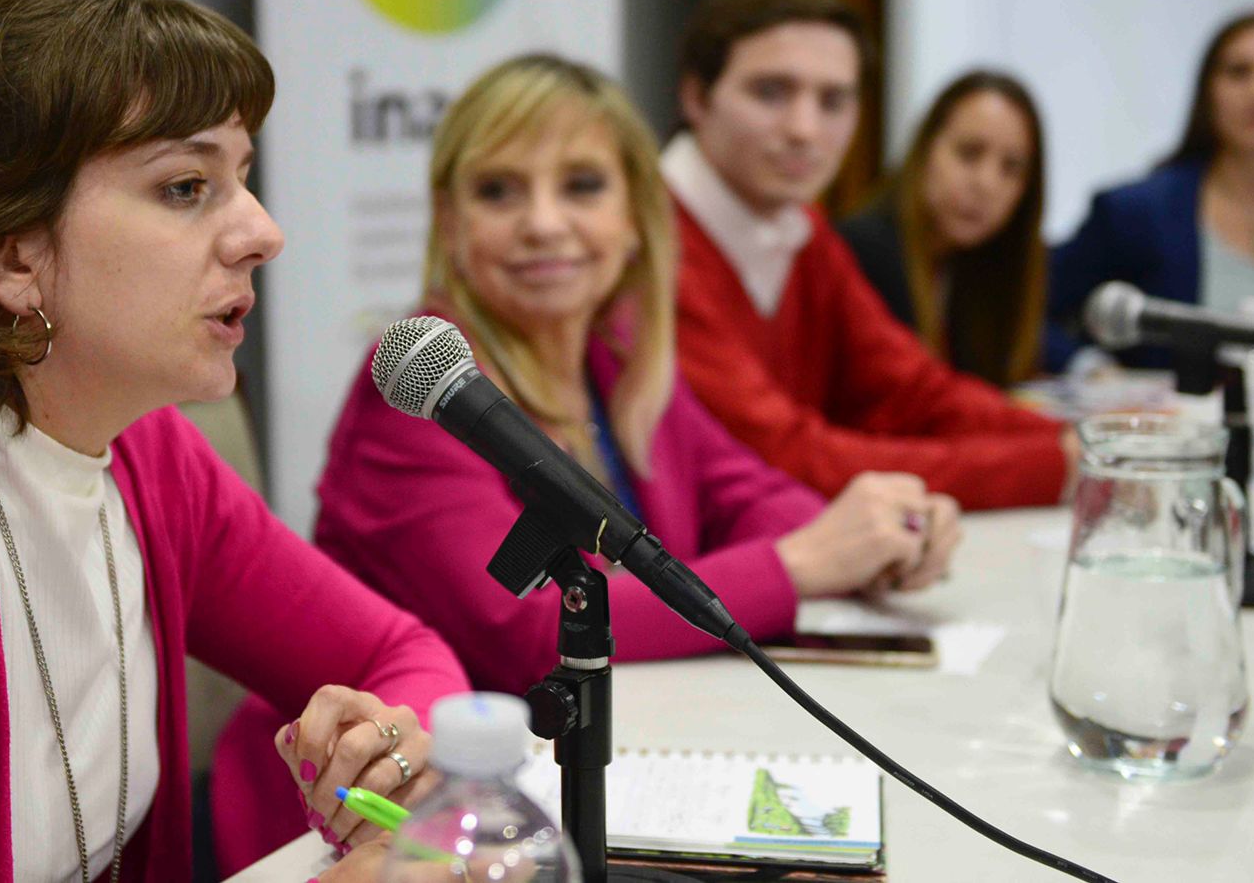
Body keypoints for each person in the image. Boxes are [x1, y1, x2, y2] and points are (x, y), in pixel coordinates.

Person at [0, 0, 466, 883]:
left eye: (244, 179)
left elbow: (398, 653)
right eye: (187, 185)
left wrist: (389, 759)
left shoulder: (149, 458)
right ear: (8, 255)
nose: (263, 233)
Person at [309, 53, 961, 694]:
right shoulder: (424, 395)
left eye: (582, 186)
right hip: (395, 790)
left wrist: (872, 541)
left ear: (634, 219)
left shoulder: (617, 356)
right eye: (497, 191)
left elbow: (751, 498)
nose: (542, 223)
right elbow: (534, 635)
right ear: (450, 222)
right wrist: (804, 565)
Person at [665, 0, 1073, 510]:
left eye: (833, 101)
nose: (805, 129)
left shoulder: (804, 230)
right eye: (770, 92)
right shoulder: (649, 247)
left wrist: (1093, 445)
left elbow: (913, 392)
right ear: (697, 97)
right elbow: (783, 457)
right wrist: (1055, 466)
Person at [1047, 10, 1254, 369]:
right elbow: (1025, 311)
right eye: (1239, 72)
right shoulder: (1135, 212)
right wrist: (1087, 367)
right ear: (1208, 92)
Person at [839, 70, 1048, 386]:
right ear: (925, 149)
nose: (986, 184)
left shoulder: (984, 265)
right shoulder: (862, 251)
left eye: (1011, 168)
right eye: (969, 153)